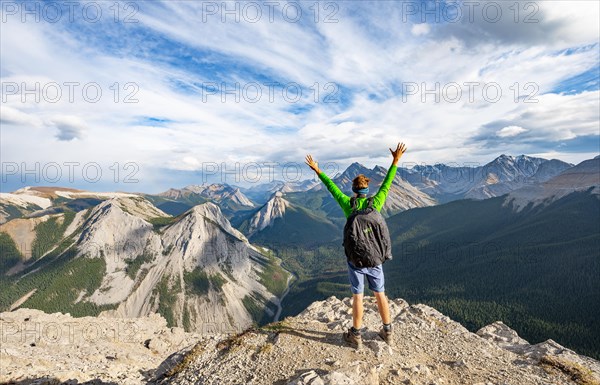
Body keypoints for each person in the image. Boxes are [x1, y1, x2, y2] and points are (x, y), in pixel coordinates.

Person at [305, 142, 407, 348]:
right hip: (376, 259)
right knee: (380, 294)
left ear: (353, 190)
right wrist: (395, 161)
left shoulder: (347, 205)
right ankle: (388, 332)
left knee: (358, 296)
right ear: (368, 190)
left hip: (356, 261)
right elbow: (387, 183)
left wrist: (318, 170)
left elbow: (331, 188)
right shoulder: (376, 202)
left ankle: (356, 336)